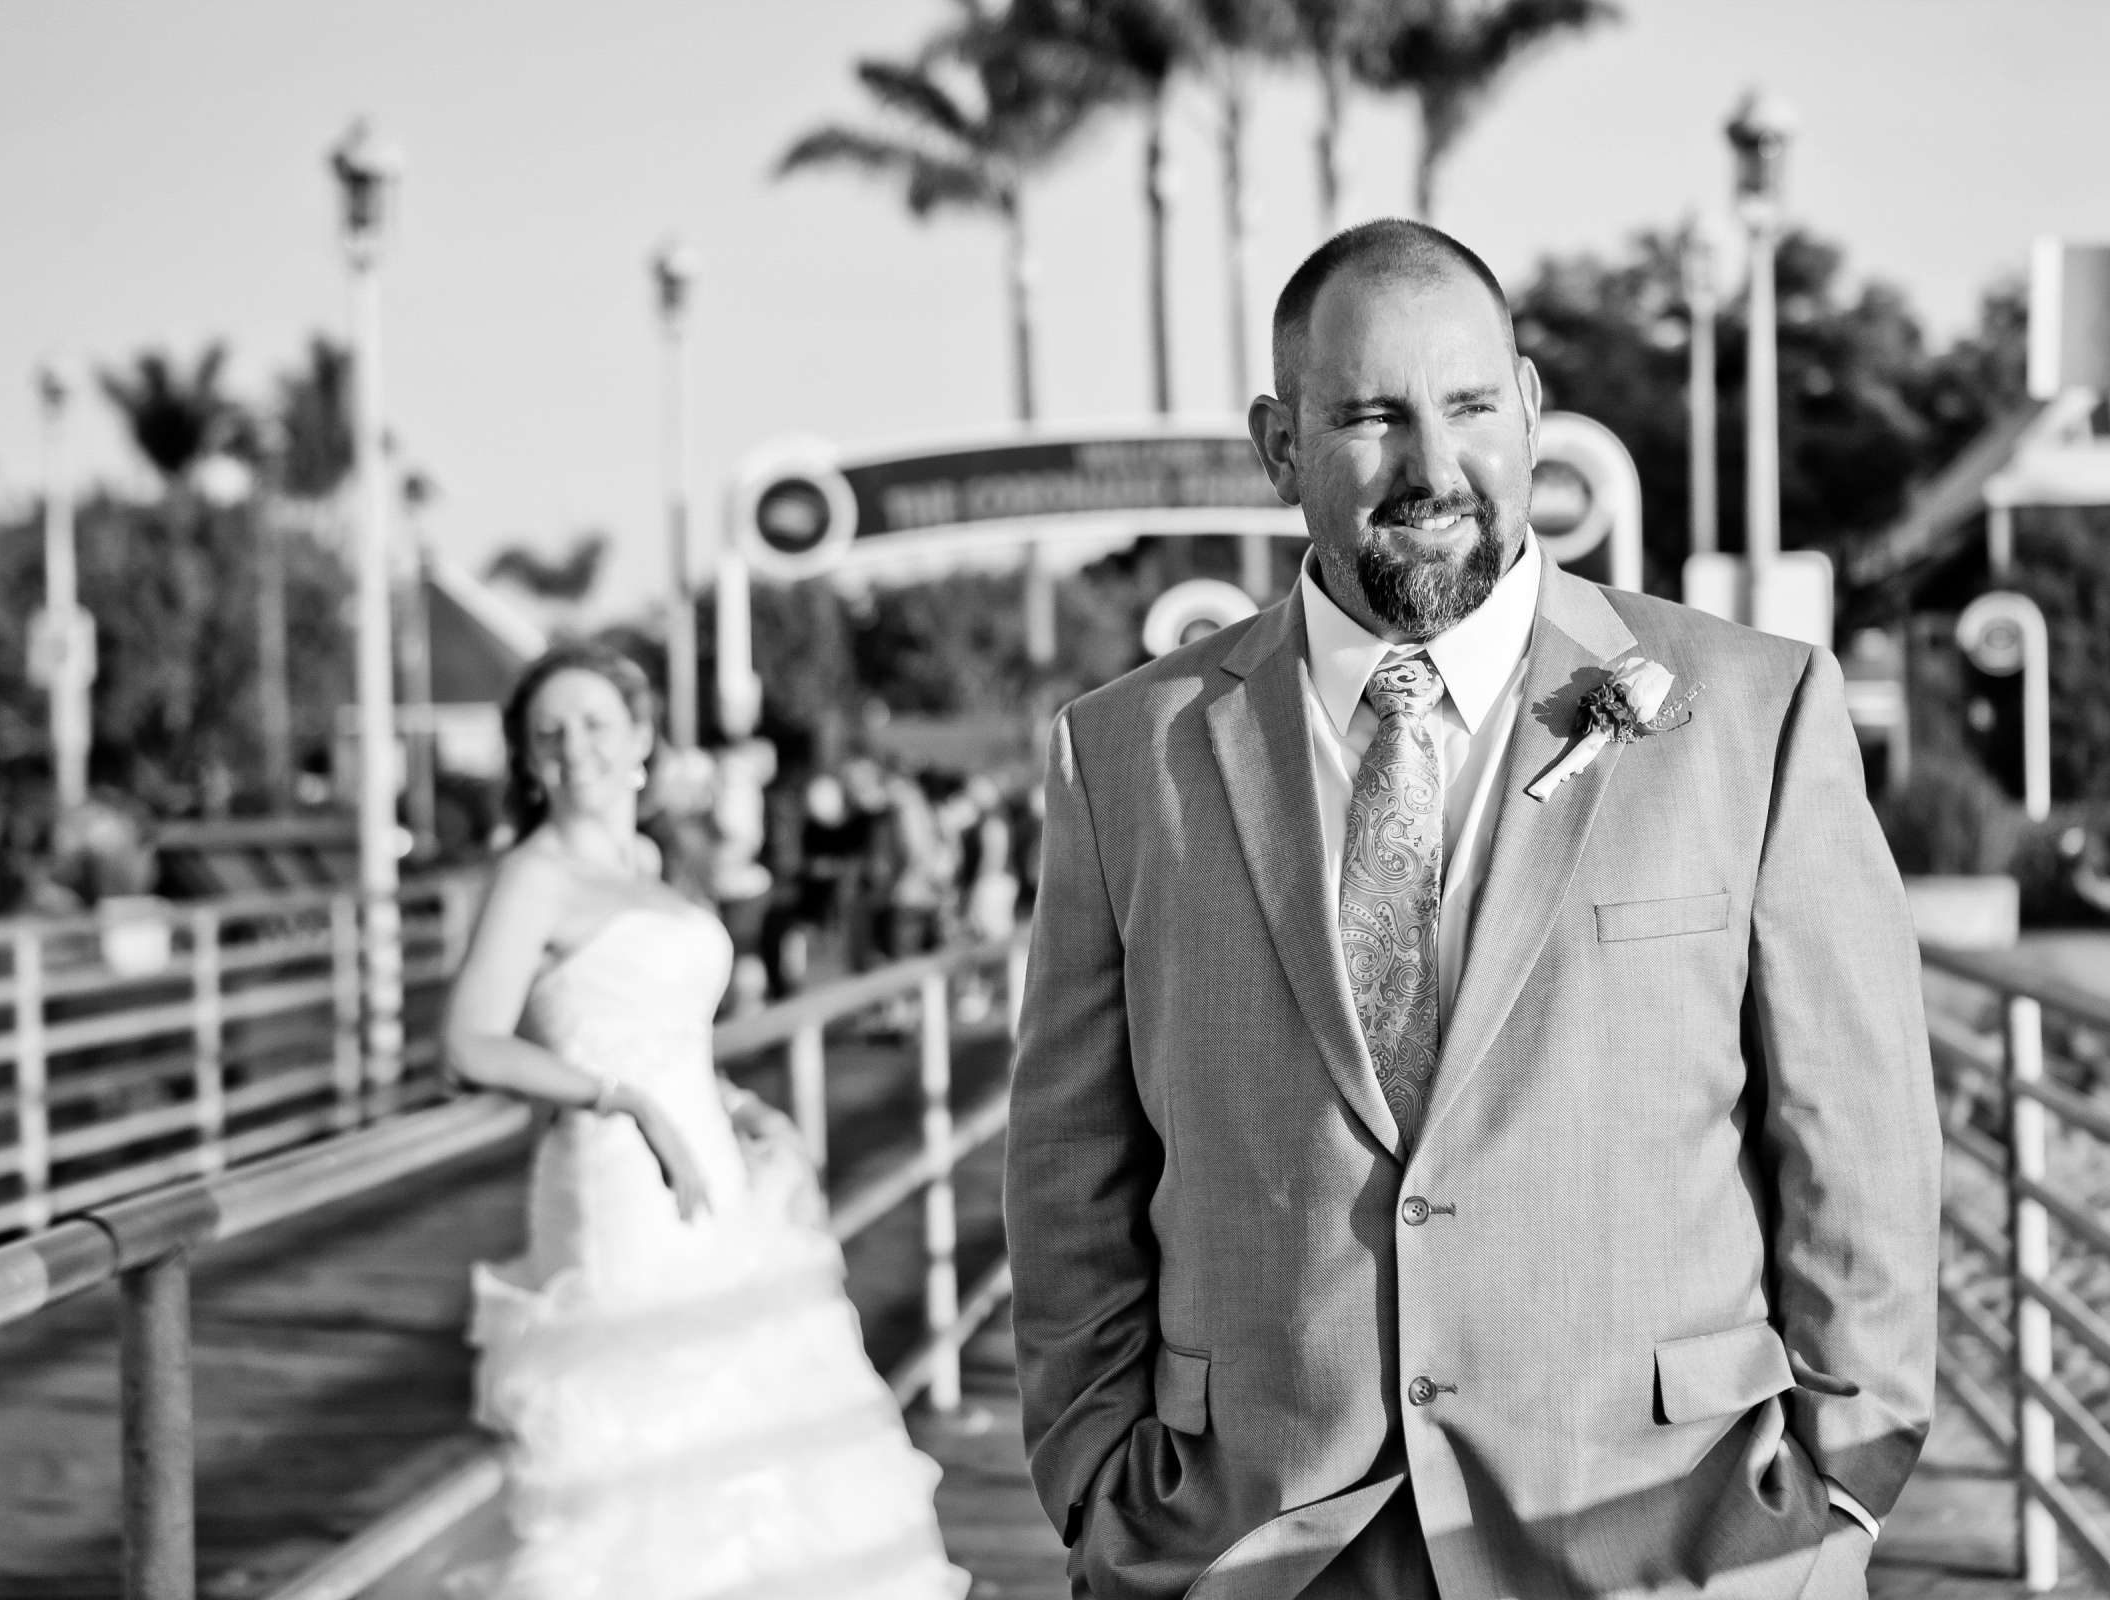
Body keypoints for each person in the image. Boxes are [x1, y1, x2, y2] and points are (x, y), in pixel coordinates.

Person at [1005, 219, 1940, 1600]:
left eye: (1470, 408)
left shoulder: (1755, 713)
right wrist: (1094, 1479)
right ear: (1280, 446)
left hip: (1668, 1538)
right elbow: (1069, 1159)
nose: (1433, 469)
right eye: (1374, 416)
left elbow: (1857, 1143)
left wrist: (1842, 1485)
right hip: (1254, 1546)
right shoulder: (1126, 753)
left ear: (1532, 417)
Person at [440, 643, 966, 1600]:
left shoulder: (650, 861)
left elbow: (666, 1030)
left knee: (752, 1421)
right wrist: (618, 1099)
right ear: (525, 757)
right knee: (644, 1442)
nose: (575, 747)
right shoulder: (533, 875)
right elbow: (471, 1043)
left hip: (712, 1164)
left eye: (597, 723)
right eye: (549, 732)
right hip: (614, 1178)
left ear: (641, 740)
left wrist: (743, 1106)